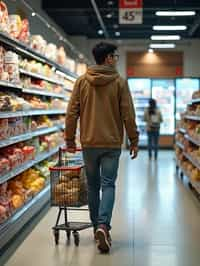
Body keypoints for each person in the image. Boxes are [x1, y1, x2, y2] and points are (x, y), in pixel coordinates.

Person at [65, 42, 139, 253]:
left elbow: (71, 113)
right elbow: (128, 114)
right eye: (115, 56)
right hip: (111, 143)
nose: (116, 59)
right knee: (108, 185)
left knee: (93, 187)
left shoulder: (81, 82)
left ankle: (98, 226)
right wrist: (133, 140)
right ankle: (104, 226)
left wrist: (70, 140)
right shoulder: (119, 83)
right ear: (107, 58)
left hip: (89, 143)